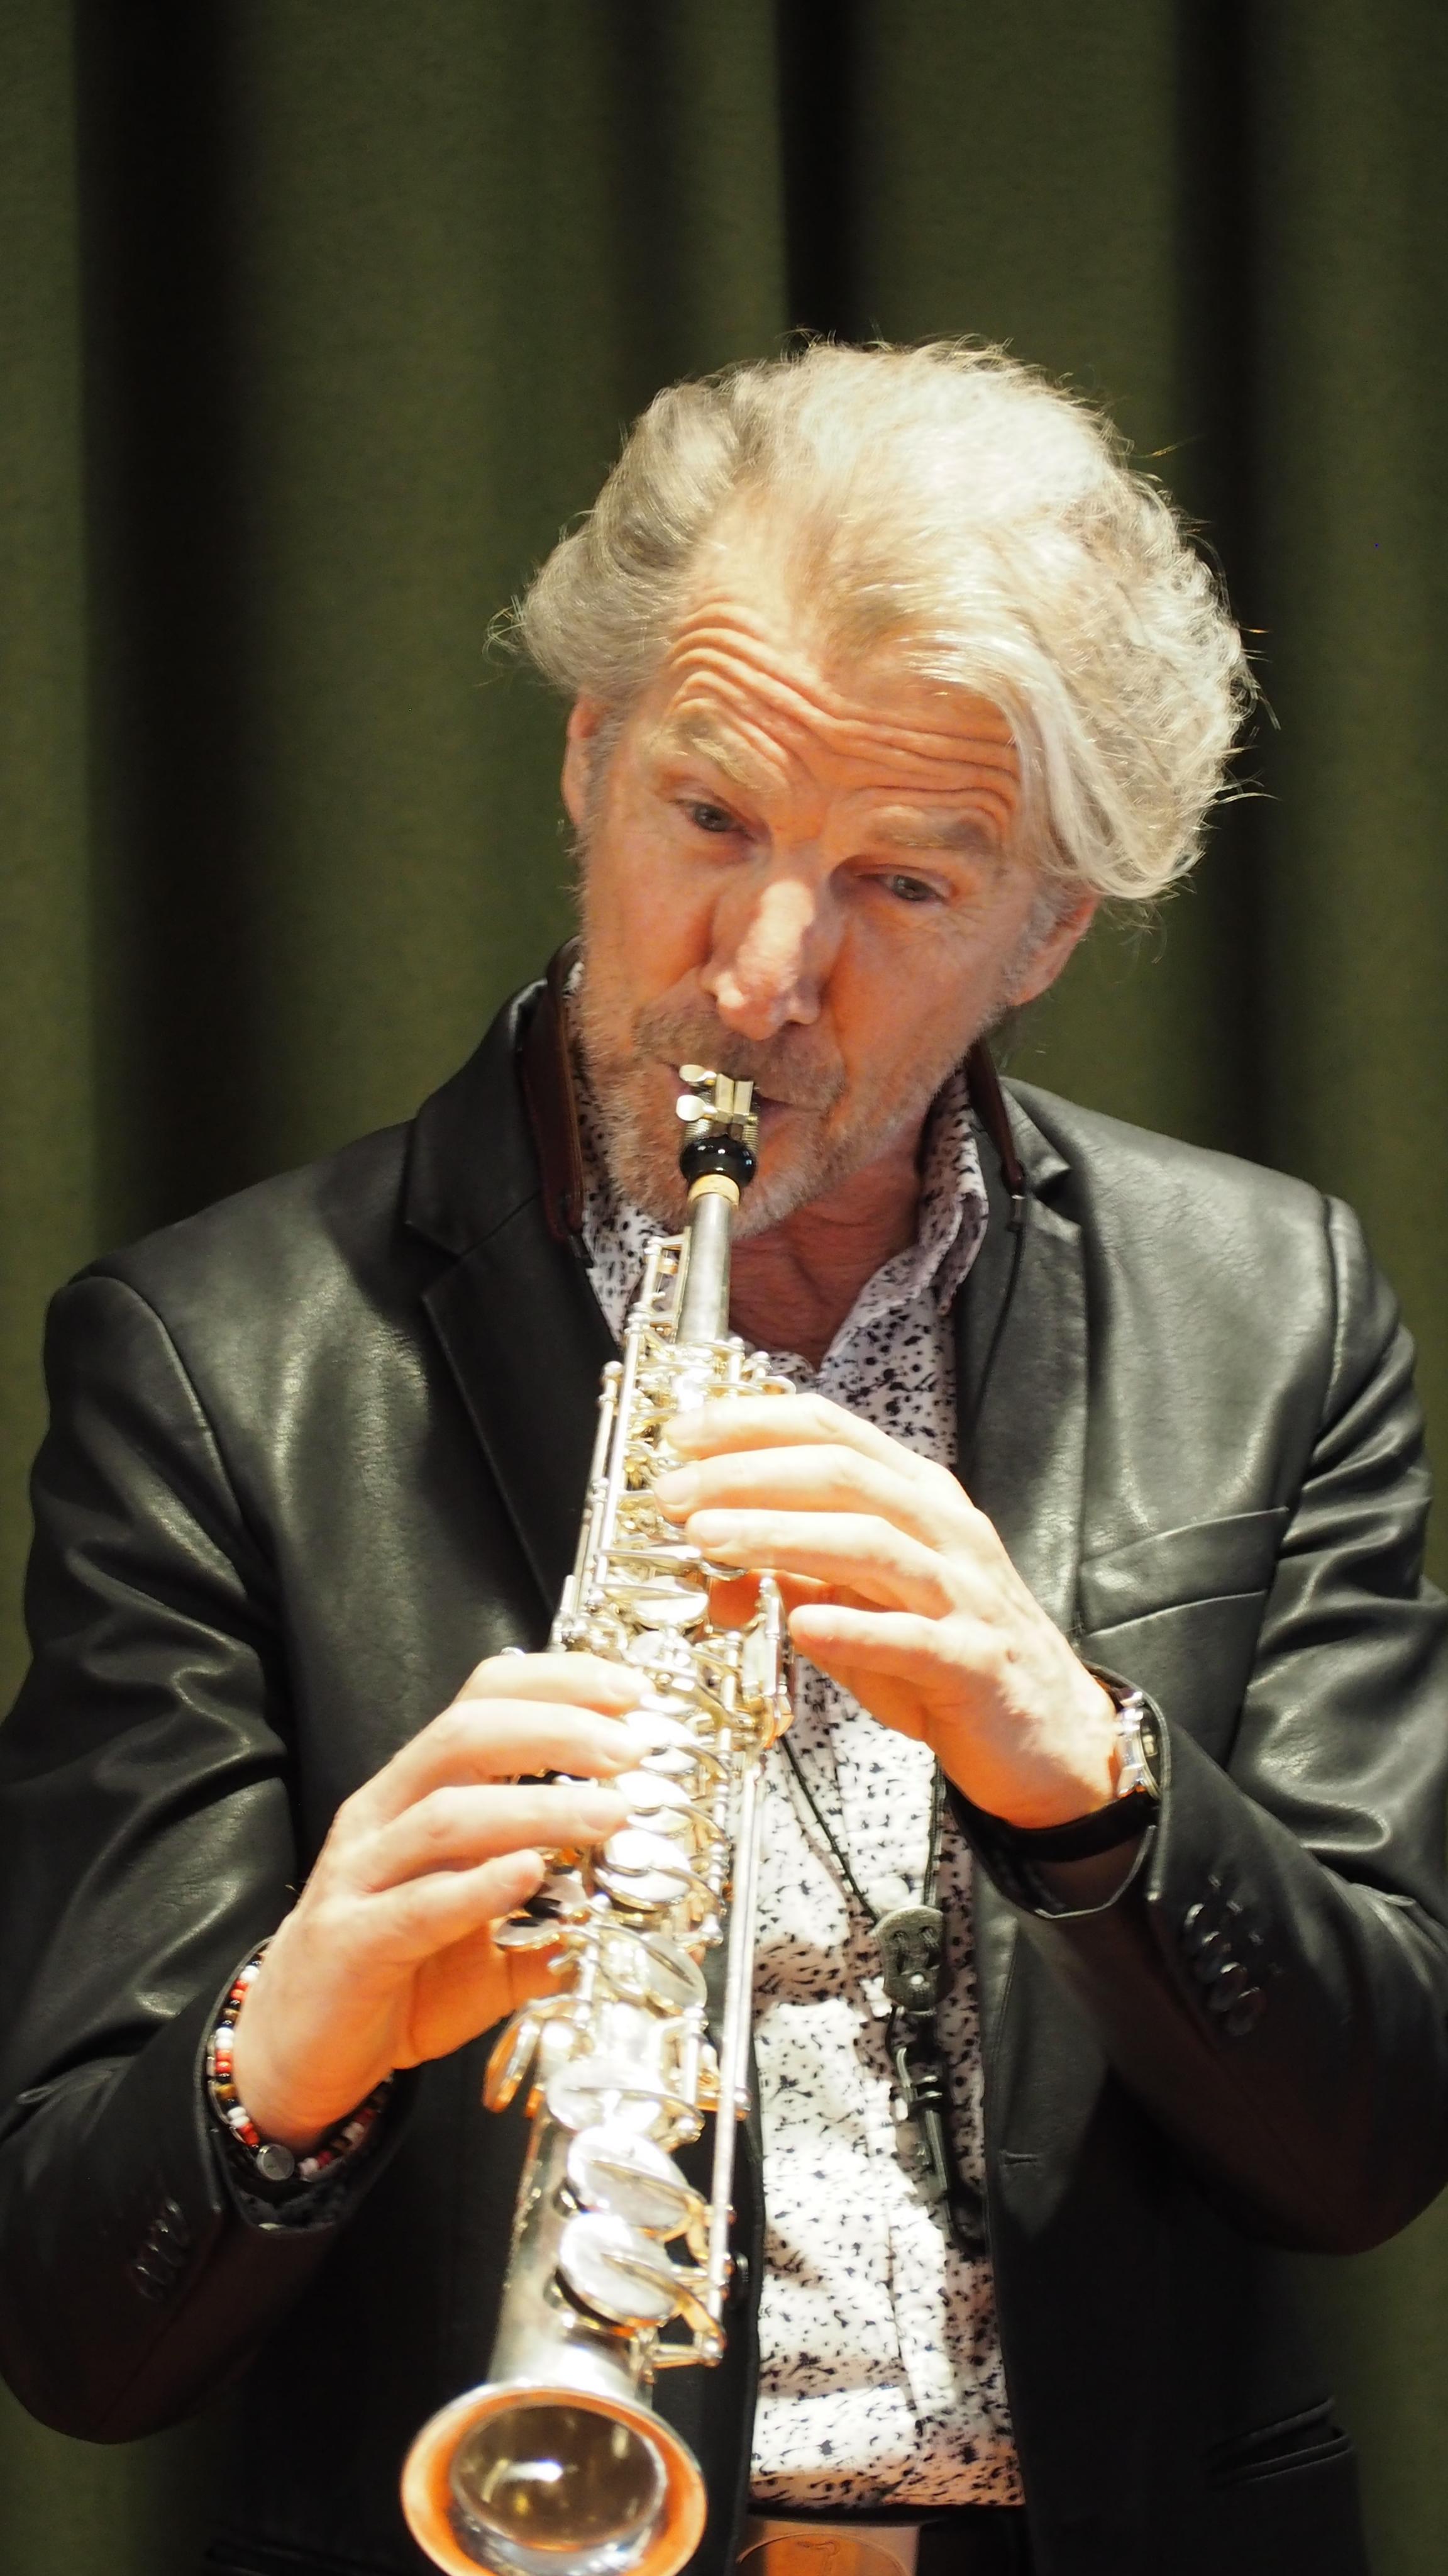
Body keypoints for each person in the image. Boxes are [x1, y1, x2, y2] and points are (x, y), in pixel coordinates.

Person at [1, 340, 1445, 2576]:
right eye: (710, 819)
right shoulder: (214, 1363)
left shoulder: (1277, 1305)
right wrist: (289, 2046)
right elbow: (77, 2332)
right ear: (590, 760)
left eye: (906, 884)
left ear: (1051, 928)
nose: (762, 977)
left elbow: (1372, 2144)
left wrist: (1089, 1778)